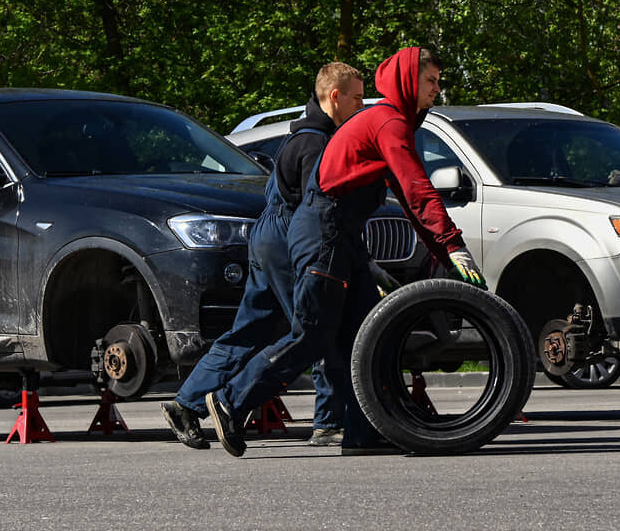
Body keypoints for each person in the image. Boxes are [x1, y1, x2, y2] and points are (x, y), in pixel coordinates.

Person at [204, 46, 486, 458]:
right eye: (430, 81)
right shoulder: (388, 120)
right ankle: (230, 401)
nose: (436, 90)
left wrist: (444, 252)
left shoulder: (394, 124)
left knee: (367, 336)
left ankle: (364, 431)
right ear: (409, 80)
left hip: (342, 235)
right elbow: (416, 189)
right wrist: (454, 246)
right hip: (323, 231)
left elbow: (410, 203)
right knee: (314, 334)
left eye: (439, 82)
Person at [161, 62, 378, 449]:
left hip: (265, 236)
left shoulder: (301, 137)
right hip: (287, 238)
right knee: (315, 329)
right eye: (358, 97)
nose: (362, 105)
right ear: (335, 97)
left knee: (251, 331)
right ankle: (329, 423)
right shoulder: (317, 144)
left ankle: (187, 402)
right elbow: (319, 204)